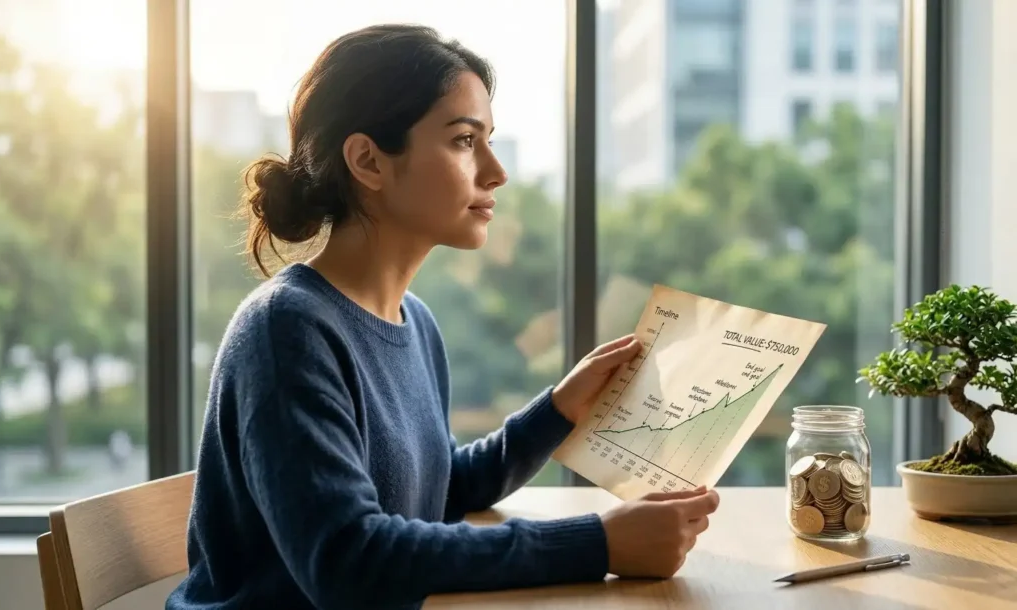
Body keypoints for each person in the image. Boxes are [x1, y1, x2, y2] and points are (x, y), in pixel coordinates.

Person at [165, 23, 719, 610]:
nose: (496, 171)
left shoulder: (414, 322)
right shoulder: (287, 330)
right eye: (463, 140)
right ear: (368, 161)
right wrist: (598, 543)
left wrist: (559, 410)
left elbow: (439, 489)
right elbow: (349, 560)